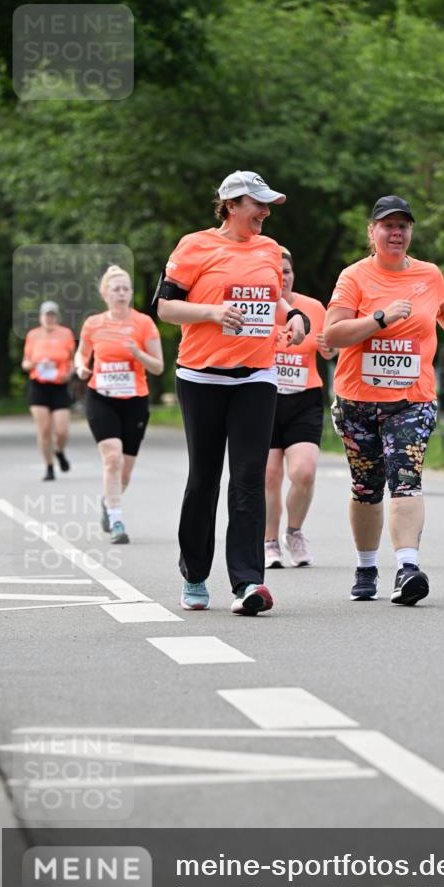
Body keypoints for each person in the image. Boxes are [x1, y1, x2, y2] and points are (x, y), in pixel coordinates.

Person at [156, 170, 307, 615]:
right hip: (201, 377)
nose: (264, 213)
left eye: (266, 206)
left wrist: (295, 314)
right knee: (203, 479)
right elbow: (164, 306)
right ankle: (195, 575)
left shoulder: (268, 249)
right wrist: (211, 312)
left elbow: (273, 298)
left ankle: (248, 582)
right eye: (257, 205)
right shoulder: (194, 245)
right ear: (231, 205)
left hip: (257, 377)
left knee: (248, 478)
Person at [324, 195, 444, 605]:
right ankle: (365, 565)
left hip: (412, 399)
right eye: (388, 226)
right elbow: (334, 334)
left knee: (406, 478)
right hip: (357, 400)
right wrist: (380, 318)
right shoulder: (354, 277)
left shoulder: (429, 274)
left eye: (403, 226)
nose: (396, 233)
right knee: (366, 487)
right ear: (372, 232)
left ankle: (408, 568)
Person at [74, 266, 164, 544]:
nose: (122, 293)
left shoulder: (143, 324)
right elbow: (81, 354)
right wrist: (80, 368)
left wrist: (138, 353)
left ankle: (108, 501)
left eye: (126, 288)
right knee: (111, 457)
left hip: (135, 400)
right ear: (105, 294)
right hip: (101, 397)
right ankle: (116, 520)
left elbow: (158, 366)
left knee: (124, 471)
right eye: (116, 289)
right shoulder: (93, 324)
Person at [264, 247, 337, 568]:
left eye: (288, 271)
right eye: (276, 272)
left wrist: (330, 348)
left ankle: (293, 532)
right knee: (268, 476)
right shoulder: (256, 308)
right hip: (263, 399)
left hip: (304, 398)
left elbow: (329, 352)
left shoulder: (312, 308)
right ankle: (269, 542)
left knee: (303, 472)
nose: (283, 277)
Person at [22, 300, 75, 481]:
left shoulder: (66, 334)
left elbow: (72, 361)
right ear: (41, 317)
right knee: (44, 430)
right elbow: (25, 362)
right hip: (39, 386)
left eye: (52, 314)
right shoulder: (33, 335)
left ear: (56, 316)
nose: (49, 318)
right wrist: (36, 363)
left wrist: (68, 374)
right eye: (47, 314)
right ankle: (49, 467)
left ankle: (59, 451)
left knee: (61, 431)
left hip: (59, 385)